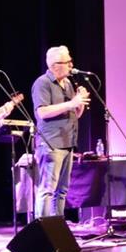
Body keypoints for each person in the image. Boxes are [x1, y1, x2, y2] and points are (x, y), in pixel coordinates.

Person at [31, 45, 89, 219]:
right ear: (55, 65)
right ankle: (43, 229)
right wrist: (71, 103)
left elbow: (75, 115)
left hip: (68, 142)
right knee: (48, 189)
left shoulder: (68, 83)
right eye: (67, 62)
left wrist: (80, 103)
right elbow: (41, 112)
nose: (71, 65)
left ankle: (58, 228)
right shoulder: (43, 83)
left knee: (62, 190)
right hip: (51, 143)